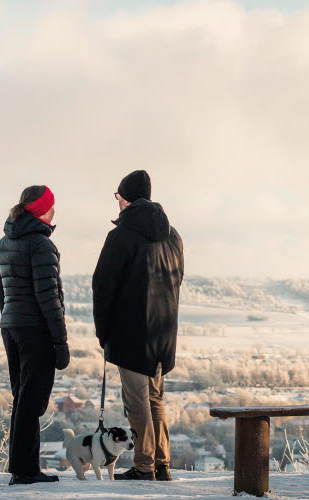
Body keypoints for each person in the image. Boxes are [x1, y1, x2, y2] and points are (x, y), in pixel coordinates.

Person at [92, 170, 184, 481]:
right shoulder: (172, 236)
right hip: (163, 332)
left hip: (130, 332)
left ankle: (144, 466)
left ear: (124, 198)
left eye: (117, 196)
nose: (116, 201)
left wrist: (103, 331)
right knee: (155, 398)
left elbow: (103, 286)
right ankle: (162, 463)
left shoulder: (121, 236)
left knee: (136, 401)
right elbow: (177, 282)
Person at [0, 185, 70, 485]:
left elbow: (2, 292)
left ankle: (21, 467)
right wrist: (60, 341)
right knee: (32, 401)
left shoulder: (4, 241)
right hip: (35, 330)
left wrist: (10, 318)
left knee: (22, 398)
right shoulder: (40, 244)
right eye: (52, 206)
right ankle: (25, 471)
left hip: (11, 325)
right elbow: (48, 298)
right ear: (43, 210)